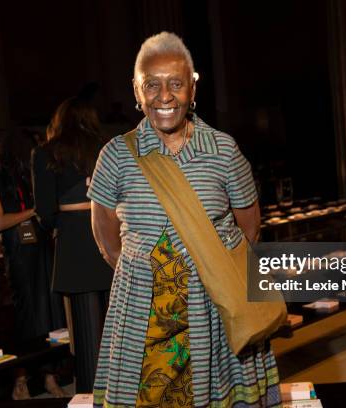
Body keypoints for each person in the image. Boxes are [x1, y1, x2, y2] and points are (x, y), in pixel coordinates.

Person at [89, 32, 280, 407]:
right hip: (142, 310)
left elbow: (250, 227)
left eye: (176, 84)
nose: (164, 97)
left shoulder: (223, 150)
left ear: (193, 88)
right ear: (136, 90)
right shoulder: (115, 155)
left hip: (214, 306)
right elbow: (107, 240)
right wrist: (153, 276)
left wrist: (209, 266)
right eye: (152, 85)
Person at [31, 96, 113, 393]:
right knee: (118, 326)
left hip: (76, 241)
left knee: (87, 332)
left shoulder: (45, 153)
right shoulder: (109, 147)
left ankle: (93, 395)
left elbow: (45, 212)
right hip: (112, 235)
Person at [0, 138, 65, 399]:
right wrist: (34, 211)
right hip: (17, 254)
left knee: (49, 313)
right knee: (25, 316)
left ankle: (50, 377)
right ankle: (20, 381)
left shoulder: (22, 175)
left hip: (39, 247)